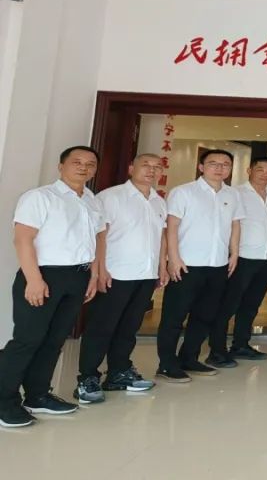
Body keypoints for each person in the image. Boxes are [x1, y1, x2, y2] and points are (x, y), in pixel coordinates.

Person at [0, 147, 104, 428]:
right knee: (28, 340)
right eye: (76, 162)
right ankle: (4, 401)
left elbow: (95, 240)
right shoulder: (40, 197)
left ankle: (37, 395)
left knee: (55, 340)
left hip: (78, 276)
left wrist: (93, 275)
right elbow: (23, 239)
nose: (83, 167)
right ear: (61, 166)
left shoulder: (92, 200)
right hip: (43, 275)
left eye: (90, 164)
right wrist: (34, 279)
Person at [74, 154, 166, 404]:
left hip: (145, 274)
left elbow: (161, 237)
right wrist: (99, 269)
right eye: (146, 165)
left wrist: (162, 266)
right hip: (115, 274)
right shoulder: (111, 197)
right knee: (101, 327)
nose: (151, 170)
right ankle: (87, 378)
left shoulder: (158, 201)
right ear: (131, 168)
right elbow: (100, 236)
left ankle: (119, 372)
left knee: (129, 328)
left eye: (157, 167)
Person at [157, 149, 244, 382]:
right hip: (186, 265)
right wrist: (173, 258)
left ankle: (189, 358)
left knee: (205, 316)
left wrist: (234, 253)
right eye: (213, 163)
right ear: (201, 167)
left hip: (218, 264)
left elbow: (235, 225)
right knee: (174, 317)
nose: (220, 168)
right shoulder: (184, 192)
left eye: (225, 164)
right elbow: (171, 227)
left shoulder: (233, 194)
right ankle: (166, 364)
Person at [207, 157, 267, 366]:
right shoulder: (235, 193)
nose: (265, 174)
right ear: (249, 170)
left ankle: (240, 345)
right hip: (242, 258)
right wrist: (232, 253)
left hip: (265, 258)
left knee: (250, 306)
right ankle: (217, 350)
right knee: (228, 306)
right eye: (260, 169)